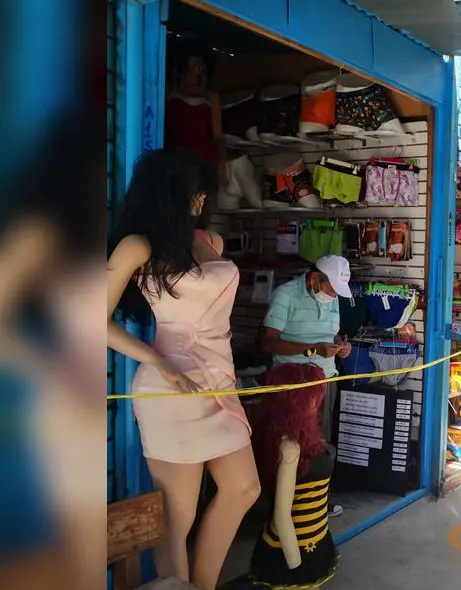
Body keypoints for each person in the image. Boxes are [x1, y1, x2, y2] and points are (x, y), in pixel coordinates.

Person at [107, 149, 261, 589]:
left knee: (244, 489)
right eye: (197, 192)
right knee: (179, 515)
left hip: (220, 380)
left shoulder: (209, 240)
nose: (202, 201)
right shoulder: (138, 246)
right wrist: (156, 360)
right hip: (169, 387)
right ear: (173, 192)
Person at [259, 255, 354, 516]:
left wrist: (339, 345)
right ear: (314, 278)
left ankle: (315, 503)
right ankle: (285, 506)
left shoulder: (333, 298)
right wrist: (312, 350)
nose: (333, 295)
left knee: (319, 443)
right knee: (290, 443)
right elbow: (268, 342)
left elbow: (329, 333)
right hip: (293, 384)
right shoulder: (285, 295)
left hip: (325, 379)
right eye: (331, 288)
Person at [249, 363, 340, 589]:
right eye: (312, 394)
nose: (317, 401)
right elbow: (281, 514)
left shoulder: (305, 432)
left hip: (315, 537)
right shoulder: (289, 446)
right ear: (297, 399)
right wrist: (297, 568)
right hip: (292, 548)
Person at [166, 37, 227, 193]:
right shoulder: (167, 92)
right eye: (194, 56)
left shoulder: (211, 97)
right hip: (174, 163)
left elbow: (218, 137)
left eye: (201, 58)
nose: (199, 62)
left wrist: (222, 166)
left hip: (203, 164)